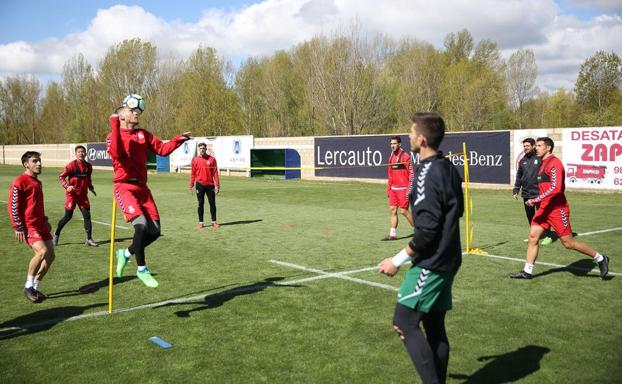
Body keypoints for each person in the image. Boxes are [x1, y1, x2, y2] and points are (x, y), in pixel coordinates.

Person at [379, 112, 463, 384]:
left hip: (432, 261)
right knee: (434, 326)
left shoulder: (428, 172)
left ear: (422, 138)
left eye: (412, 132)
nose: (408, 136)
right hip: (449, 257)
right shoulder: (448, 167)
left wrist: (397, 260)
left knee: (404, 322)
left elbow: (426, 232)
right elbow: (457, 210)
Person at [107, 100, 191, 288]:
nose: (137, 113)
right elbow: (117, 153)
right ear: (121, 116)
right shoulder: (113, 135)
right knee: (141, 226)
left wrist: (178, 139)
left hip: (143, 189)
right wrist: (114, 125)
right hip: (124, 187)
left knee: (155, 232)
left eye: (139, 110)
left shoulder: (143, 134)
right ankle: (142, 269)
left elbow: (161, 149)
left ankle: (125, 254)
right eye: (132, 110)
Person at [509, 137, 610, 280]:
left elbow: (556, 189)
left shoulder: (554, 163)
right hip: (545, 208)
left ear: (548, 148)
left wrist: (536, 199)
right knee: (533, 237)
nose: (536, 148)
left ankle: (600, 258)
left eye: (539, 145)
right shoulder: (542, 163)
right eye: (536, 145)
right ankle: (527, 271)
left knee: (568, 243)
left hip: (557, 209)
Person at [7, 151, 56, 303]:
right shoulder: (19, 182)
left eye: (39, 160)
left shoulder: (37, 182)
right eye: (35, 161)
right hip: (29, 226)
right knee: (42, 251)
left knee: (51, 256)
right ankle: (28, 286)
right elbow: (13, 207)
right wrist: (18, 227)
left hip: (41, 224)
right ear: (26, 164)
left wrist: (45, 219)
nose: (39, 164)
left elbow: (35, 205)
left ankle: (34, 286)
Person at [53, 145, 98, 246]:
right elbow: (61, 177)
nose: (81, 153)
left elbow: (88, 178)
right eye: (79, 152)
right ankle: (56, 234)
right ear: (76, 153)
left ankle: (89, 239)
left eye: (83, 152)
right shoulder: (71, 165)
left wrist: (91, 188)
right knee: (68, 216)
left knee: (87, 215)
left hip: (83, 196)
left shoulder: (89, 166)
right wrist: (67, 186)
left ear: (85, 153)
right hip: (72, 195)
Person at [513, 137, 553, 245]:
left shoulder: (540, 158)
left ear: (533, 146)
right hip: (526, 193)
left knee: (542, 215)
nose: (525, 148)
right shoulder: (522, 161)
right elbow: (519, 176)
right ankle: (534, 235)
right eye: (524, 146)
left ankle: (548, 235)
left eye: (527, 146)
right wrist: (516, 189)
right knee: (530, 216)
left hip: (539, 193)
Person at [385, 135, 414, 240]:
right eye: (391, 144)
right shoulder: (391, 157)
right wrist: (389, 188)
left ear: (399, 144)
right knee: (392, 210)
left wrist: (409, 189)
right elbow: (390, 174)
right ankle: (392, 234)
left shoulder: (406, 156)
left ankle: (419, 230)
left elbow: (412, 174)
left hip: (403, 189)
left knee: (404, 211)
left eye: (394, 143)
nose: (392, 146)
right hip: (393, 189)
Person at [190, 142, 220, 228]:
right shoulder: (195, 160)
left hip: (210, 185)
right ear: (198, 149)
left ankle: (214, 221)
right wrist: (191, 185)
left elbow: (215, 173)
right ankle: (201, 222)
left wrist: (217, 185)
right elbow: (193, 174)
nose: (202, 150)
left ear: (206, 149)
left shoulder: (212, 159)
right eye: (200, 148)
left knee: (212, 203)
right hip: (199, 185)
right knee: (200, 203)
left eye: (203, 148)